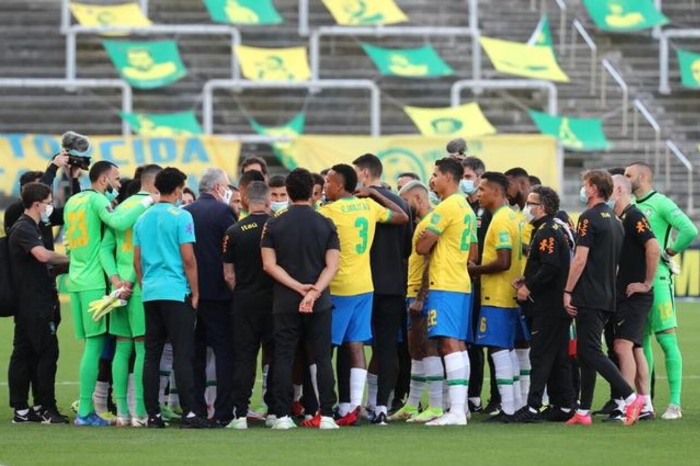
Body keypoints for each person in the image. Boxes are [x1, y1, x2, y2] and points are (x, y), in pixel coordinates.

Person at [64, 160, 157, 427]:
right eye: (116, 179)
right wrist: (147, 201)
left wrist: (115, 280)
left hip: (77, 279)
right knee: (111, 347)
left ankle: (120, 412)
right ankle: (92, 410)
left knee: (117, 346)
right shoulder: (102, 202)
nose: (119, 184)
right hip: (101, 282)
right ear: (103, 180)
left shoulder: (73, 201)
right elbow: (119, 223)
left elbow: (94, 245)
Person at [319, 163, 409, 426]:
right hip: (364, 287)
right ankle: (354, 407)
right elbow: (401, 216)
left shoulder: (328, 212)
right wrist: (374, 194)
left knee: (325, 348)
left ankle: (324, 407)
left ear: (339, 186)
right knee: (356, 345)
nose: (325, 186)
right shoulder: (368, 206)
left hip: (339, 287)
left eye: (328, 182)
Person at [134, 167, 218, 429]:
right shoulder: (182, 216)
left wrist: (145, 285)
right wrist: (196, 291)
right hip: (175, 291)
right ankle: (190, 413)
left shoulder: (142, 218)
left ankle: (153, 414)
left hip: (151, 292)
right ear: (178, 189)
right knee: (183, 353)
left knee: (152, 354)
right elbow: (189, 259)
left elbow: (136, 261)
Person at [563, 169, 645, 426]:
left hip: (588, 294)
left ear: (593, 188)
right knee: (587, 352)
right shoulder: (616, 221)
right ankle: (583, 411)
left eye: (585, 184)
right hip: (608, 295)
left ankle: (631, 397)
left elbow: (580, 259)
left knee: (589, 350)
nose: (582, 188)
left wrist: (567, 291)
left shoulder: (588, 218)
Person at [261, 168, 341, 430]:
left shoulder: (274, 224)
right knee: (321, 357)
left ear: (289, 192)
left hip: (285, 300)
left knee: (284, 356)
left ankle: (282, 415)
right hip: (320, 301)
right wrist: (314, 292)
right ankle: (326, 414)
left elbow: (269, 265)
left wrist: (298, 288)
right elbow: (332, 265)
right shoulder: (326, 223)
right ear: (312, 192)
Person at [625, 162, 698, 420]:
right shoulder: (630, 206)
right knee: (640, 341)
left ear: (643, 177)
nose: (625, 178)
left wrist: (669, 252)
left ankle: (675, 404)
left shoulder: (661, 203)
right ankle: (646, 403)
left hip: (658, 281)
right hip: (636, 282)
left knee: (666, 339)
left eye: (629, 175)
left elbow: (690, 229)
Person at [415, 158, 478, 426]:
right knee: (458, 345)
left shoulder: (447, 206)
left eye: (435, 174)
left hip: (444, 282)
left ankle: (456, 412)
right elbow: (473, 252)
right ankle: (460, 408)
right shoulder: (466, 207)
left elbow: (422, 247)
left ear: (448, 178)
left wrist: (425, 240)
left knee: (448, 344)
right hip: (460, 282)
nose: (432, 179)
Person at [98, 164, 162, 427]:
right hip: (138, 286)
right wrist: (131, 281)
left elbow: (105, 249)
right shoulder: (152, 209)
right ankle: (140, 413)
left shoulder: (121, 207)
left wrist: (116, 281)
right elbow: (146, 250)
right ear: (154, 183)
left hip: (118, 289)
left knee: (122, 348)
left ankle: (123, 413)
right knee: (142, 348)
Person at [353, 153, 413, 424]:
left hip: (362, 284)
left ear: (365, 173)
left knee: (353, 344)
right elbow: (407, 249)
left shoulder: (358, 202)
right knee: (387, 346)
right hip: (393, 285)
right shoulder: (402, 203)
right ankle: (380, 407)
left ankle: (351, 405)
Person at [511, 185, 575, 423]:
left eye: (531, 203)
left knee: (540, 355)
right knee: (558, 357)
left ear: (543, 207)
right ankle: (564, 405)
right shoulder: (553, 228)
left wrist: (528, 287)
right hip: (556, 304)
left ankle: (533, 407)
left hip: (548, 305)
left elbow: (550, 266)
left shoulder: (547, 231)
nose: (527, 208)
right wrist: (527, 278)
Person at [7, 182, 70, 424]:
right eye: (49, 203)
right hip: (34, 303)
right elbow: (42, 255)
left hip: (29, 301)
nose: (50, 208)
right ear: (37, 204)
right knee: (47, 353)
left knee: (24, 353)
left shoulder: (27, 226)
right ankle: (45, 407)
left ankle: (22, 409)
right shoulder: (25, 227)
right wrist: (72, 259)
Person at [183, 168, 237, 425]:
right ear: (217, 187)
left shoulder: (186, 212)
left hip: (191, 293)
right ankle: (224, 412)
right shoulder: (224, 212)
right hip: (219, 293)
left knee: (195, 353)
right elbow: (231, 250)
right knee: (224, 352)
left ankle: (196, 409)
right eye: (226, 185)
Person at [469, 171, 524, 422]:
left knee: (498, 349)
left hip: (497, 296)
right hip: (509, 295)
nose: (478, 193)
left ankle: (508, 409)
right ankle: (516, 405)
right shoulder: (512, 217)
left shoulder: (501, 220)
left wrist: (476, 270)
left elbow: (503, 261)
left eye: (482, 189)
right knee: (509, 351)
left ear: (496, 192)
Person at [607, 174, 660, 422]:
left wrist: (646, 283)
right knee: (635, 347)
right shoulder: (621, 219)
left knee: (622, 346)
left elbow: (653, 246)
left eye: (608, 188)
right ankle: (645, 404)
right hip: (626, 294)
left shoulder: (633, 216)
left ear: (619, 190)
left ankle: (627, 404)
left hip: (634, 295)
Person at [223, 181, 275, 429]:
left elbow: (228, 275)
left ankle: (241, 415)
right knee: (276, 356)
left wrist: (243, 291)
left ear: (245, 201)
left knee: (244, 357)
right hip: (275, 301)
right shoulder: (278, 227)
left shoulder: (234, 231)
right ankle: (276, 412)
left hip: (244, 302)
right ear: (268, 201)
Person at [389, 180, 441, 423]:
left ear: (418, 198)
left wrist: (421, 296)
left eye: (406, 201)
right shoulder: (422, 223)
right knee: (416, 349)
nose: (404, 206)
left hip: (424, 294)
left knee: (429, 347)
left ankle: (438, 405)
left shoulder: (431, 223)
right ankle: (412, 404)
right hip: (413, 292)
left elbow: (432, 261)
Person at [460, 156, 498, 415]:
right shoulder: (460, 207)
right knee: (468, 341)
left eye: (469, 177)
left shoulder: (492, 212)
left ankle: (497, 398)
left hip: (488, 283)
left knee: (492, 342)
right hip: (466, 283)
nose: (466, 182)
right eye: (462, 177)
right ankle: (471, 396)